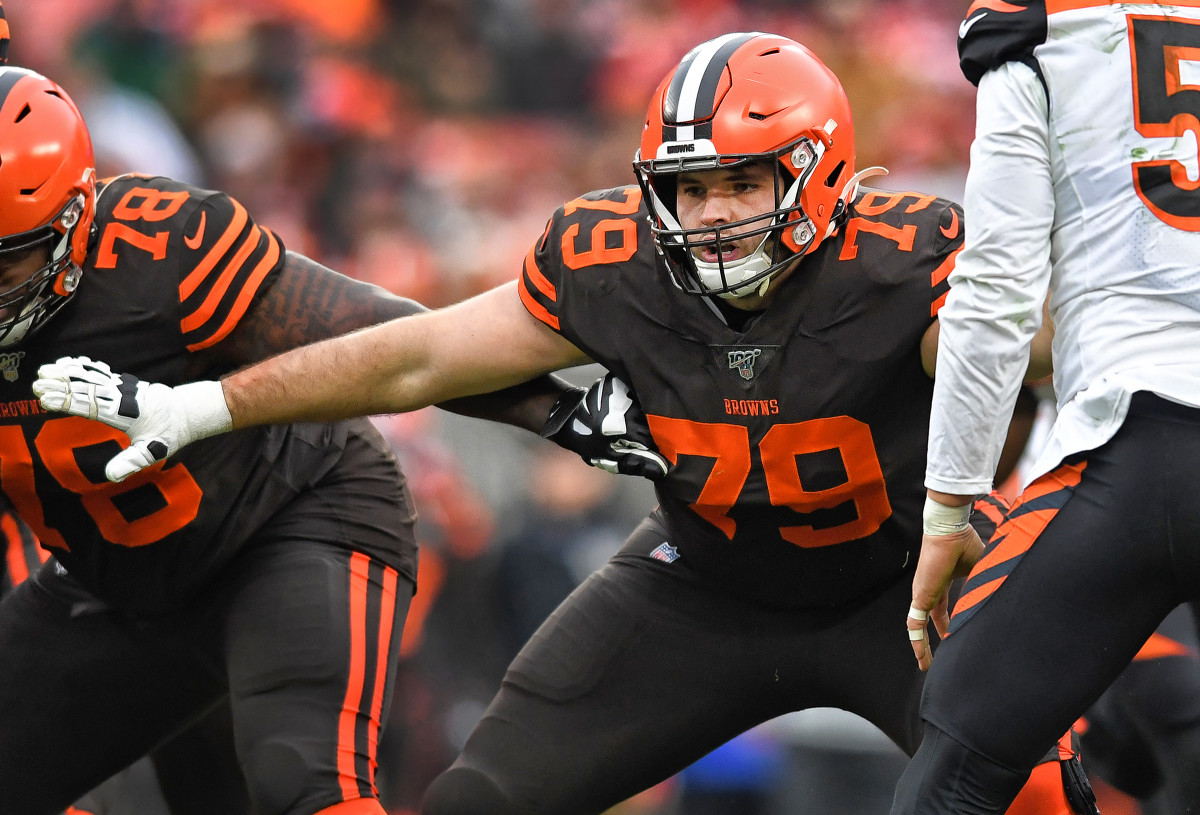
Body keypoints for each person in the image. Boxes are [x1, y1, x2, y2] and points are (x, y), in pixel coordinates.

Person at [32, 33, 1091, 815]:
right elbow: (417, 353)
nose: (712, 213)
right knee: (478, 797)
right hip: (699, 584)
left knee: (1041, 793)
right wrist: (202, 403)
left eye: (740, 181)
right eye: (688, 187)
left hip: (900, 589)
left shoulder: (908, 261)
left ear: (816, 172)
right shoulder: (612, 259)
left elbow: (1051, 351)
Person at [0, 59, 648, 815]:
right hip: (115, 581)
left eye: (6, 259)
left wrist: (553, 411)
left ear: (77, 217)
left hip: (288, 523)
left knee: (303, 786)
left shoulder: (159, 252)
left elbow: (390, 341)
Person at [891, 1, 1200, 812]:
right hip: (1135, 437)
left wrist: (949, 507)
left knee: (959, 762)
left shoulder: (1043, 28)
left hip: (1137, 447)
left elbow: (995, 294)